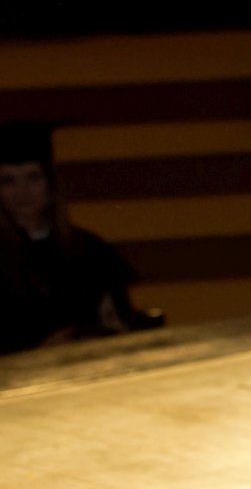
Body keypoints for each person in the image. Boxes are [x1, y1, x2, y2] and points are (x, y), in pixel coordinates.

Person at [0, 123, 157, 353]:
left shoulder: (89, 249)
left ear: (51, 185)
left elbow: (118, 322)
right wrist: (39, 351)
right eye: (8, 181)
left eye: (33, 178)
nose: (22, 192)